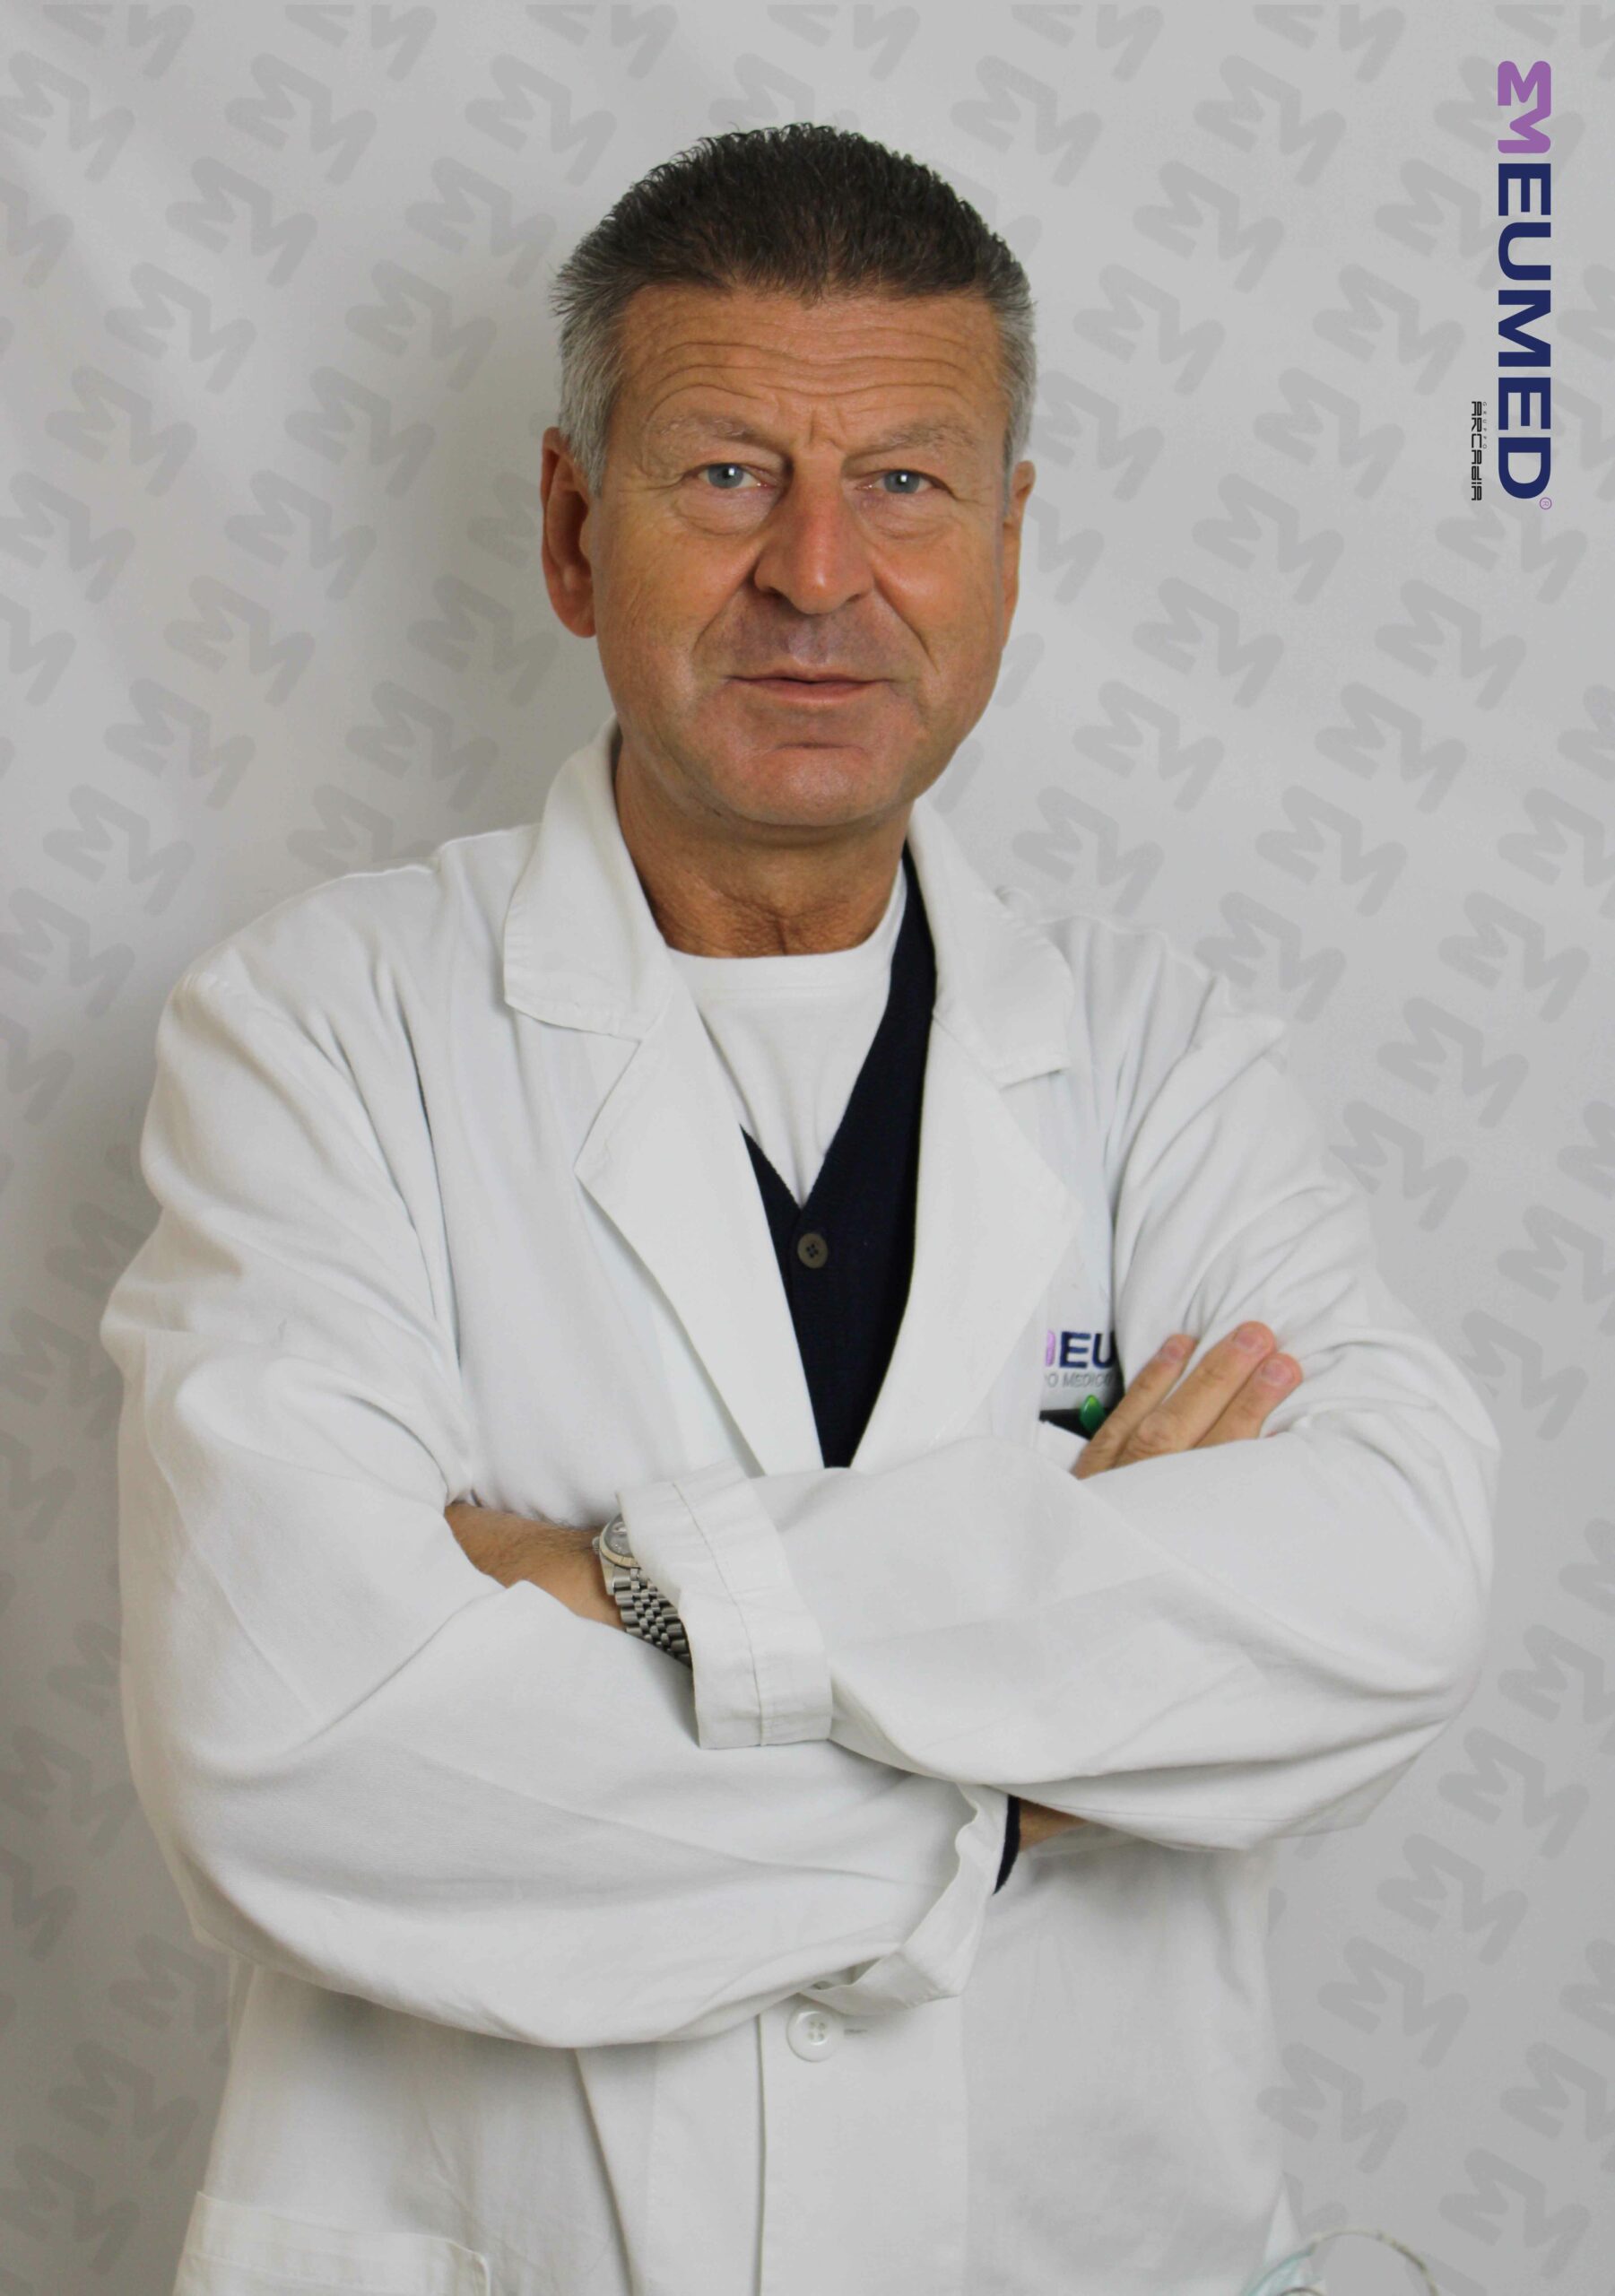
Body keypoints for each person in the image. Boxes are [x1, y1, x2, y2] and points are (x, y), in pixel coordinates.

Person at [100, 123, 1500, 2296]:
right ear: (575, 531)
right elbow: (291, 1743)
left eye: (908, 482)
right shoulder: (320, 1029)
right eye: (728, 473)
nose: (819, 570)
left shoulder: (1161, 1056)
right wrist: (1017, 1786)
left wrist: (627, 1586)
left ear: (1010, 543)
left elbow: (1388, 1589)